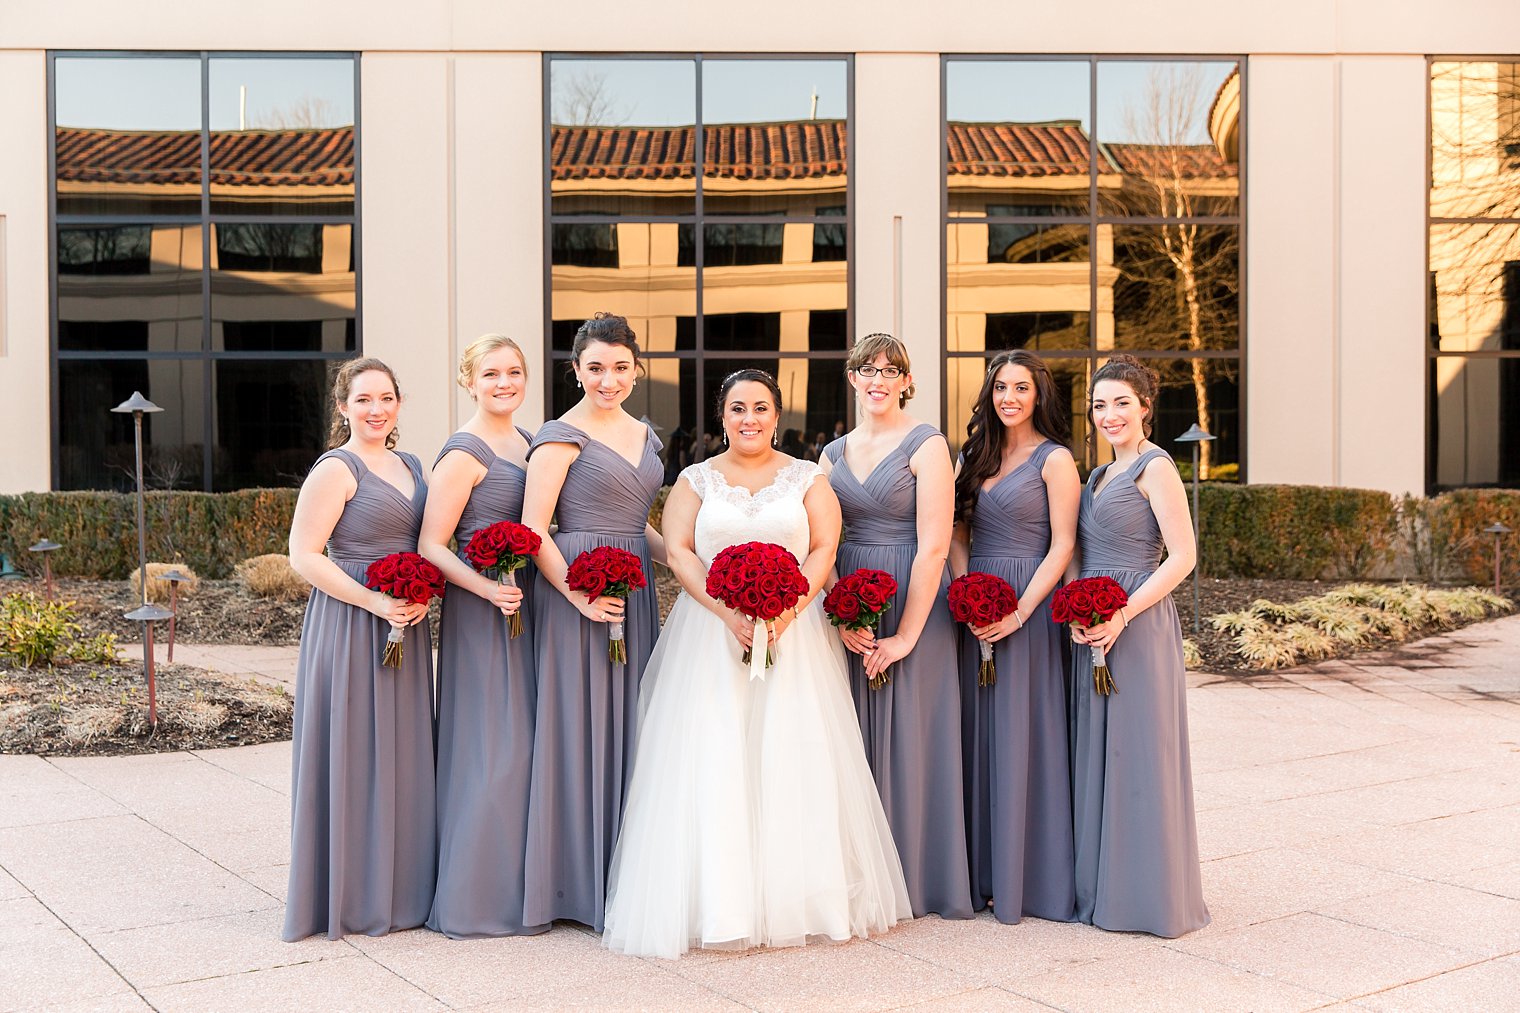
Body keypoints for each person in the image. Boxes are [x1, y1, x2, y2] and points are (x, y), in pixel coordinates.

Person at [603, 369, 909, 959]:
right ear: (723, 416)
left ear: (776, 415)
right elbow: (682, 552)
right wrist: (726, 612)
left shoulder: (808, 476)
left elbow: (823, 547)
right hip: (710, 634)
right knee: (714, 753)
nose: (750, 419)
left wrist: (791, 608)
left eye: (761, 408)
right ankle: (720, 903)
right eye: (738, 408)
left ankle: (799, 899)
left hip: (794, 633)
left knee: (791, 752)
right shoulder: (694, 479)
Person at [520, 312, 666, 933]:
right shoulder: (559, 437)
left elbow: (642, 528)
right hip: (576, 590)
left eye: (621, 367)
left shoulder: (647, 436)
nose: (609, 380)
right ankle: (576, 884)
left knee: (638, 721)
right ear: (575, 369)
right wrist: (577, 596)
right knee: (579, 726)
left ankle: (631, 875)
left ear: (636, 368)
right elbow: (532, 530)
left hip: (633, 590)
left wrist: (696, 567)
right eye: (596, 368)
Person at [819, 334, 973, 921]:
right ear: (852, 378)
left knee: (912, 729)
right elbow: (821, 541)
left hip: (915, 596)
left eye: (891, 370)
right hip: (849, 603)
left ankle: (917, 875)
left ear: (907, 380)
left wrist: (906, 634)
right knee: (849, 732)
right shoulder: (832, 453)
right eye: (866, 369)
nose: (878, 379)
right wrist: (840, 609)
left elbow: (935, 544)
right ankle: (856, 876)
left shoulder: (927, 444)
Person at [283, 358, 435, 941]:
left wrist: (421, 590)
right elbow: (305, 556)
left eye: (387, 398)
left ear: (399, 404)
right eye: (364, 399)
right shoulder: (335, 470)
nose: (377, 409)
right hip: (351, 623)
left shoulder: (413, 465)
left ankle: (401, 890)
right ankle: (351, 894)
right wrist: (374, 602)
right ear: (343, 407)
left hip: (408, 622)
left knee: (402, 752)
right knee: (353, 750)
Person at [1069, 353, 1210, 937]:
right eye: (1100, 405)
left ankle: (1147, 896)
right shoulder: (1098, 475)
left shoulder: (1157, 468)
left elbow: (1183, 557)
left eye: (1121, 402)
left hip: (1139, 620)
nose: (1109, 414)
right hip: (1090, 623)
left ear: (1146, 407)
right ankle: (1102, 886)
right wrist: (1076, 608)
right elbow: (1079, 550)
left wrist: (1123, 612)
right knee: (1099, 752)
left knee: (1139, 754)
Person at [417, 335, 544, 938]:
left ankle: (525, 886)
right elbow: (431, 545)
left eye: (514, 372)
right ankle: (477, 897)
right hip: (482, 609)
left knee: (526, 744)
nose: (504, 383)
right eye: (491, 373)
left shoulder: (529, 442)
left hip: (528, 602)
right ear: (469, 381)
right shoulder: (462, 454)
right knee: (493, 747)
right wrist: (487, 589)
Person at [949, 349, 1079, 924]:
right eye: (1001, 387)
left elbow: (1064, 544)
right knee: (978, 735)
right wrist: (964, 590)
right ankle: (981, 872)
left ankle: (1025, 876)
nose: (1009, 398)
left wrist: (1021, 613)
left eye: (1021, 388)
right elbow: (955, 532)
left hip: (1029, 602)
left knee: (1025, 733)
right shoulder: (973, 454)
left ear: (1038, 395)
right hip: (977, 602)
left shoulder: (1056, 461)